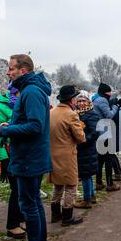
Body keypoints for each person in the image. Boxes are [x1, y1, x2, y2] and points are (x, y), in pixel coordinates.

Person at [0, 54, 52, 241]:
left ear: (23, 70)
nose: (8, 72)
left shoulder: (30, 92)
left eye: (11, 68)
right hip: (31, 156)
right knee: (34, 202)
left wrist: (7, 129)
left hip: (29, 158)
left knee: (28, 204)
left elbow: (35, 126)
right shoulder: (31, 90)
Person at [48, 85, 85, 226]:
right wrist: (81, 127)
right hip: (67, 156)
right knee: (71, 186)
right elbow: (81, 138)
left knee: (57, 186)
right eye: (75, 98)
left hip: (53, 155)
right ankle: (67, 217)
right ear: (71, 100)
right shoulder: (71, 114)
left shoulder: (51, 112)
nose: (76, 100)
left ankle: (55, 215)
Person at [0, 83, 26, 239]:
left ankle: (21, 218)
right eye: (18, 91)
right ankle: (12, 225)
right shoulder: (0, 108)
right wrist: (3, 159)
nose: (20, 94)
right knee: (16, 189)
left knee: (22, 188)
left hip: (21, 153)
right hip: (9, 154)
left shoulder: (22, 105)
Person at [92, 83, 121, 192]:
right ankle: (110, 184)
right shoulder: (102, 100)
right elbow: (109, 115)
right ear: (106, 92)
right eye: (109, 92)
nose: (110, 94)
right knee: (109, 159)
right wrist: (116, 106)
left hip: (98, 131)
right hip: (104, 131)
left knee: (100, 159)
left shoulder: (96, 100)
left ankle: (99, 182)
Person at [74, 91, 100, 209]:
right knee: (87, 174)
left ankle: (87, 200)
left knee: (85, 174)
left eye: (83, 100)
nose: (81, 103)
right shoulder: (77, 114)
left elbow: (95, 133)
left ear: (88, 102)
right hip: (82, 149)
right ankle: (91, 196)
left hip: (87, 148)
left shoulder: (92, 114)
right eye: (79, 101)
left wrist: (83, 140)